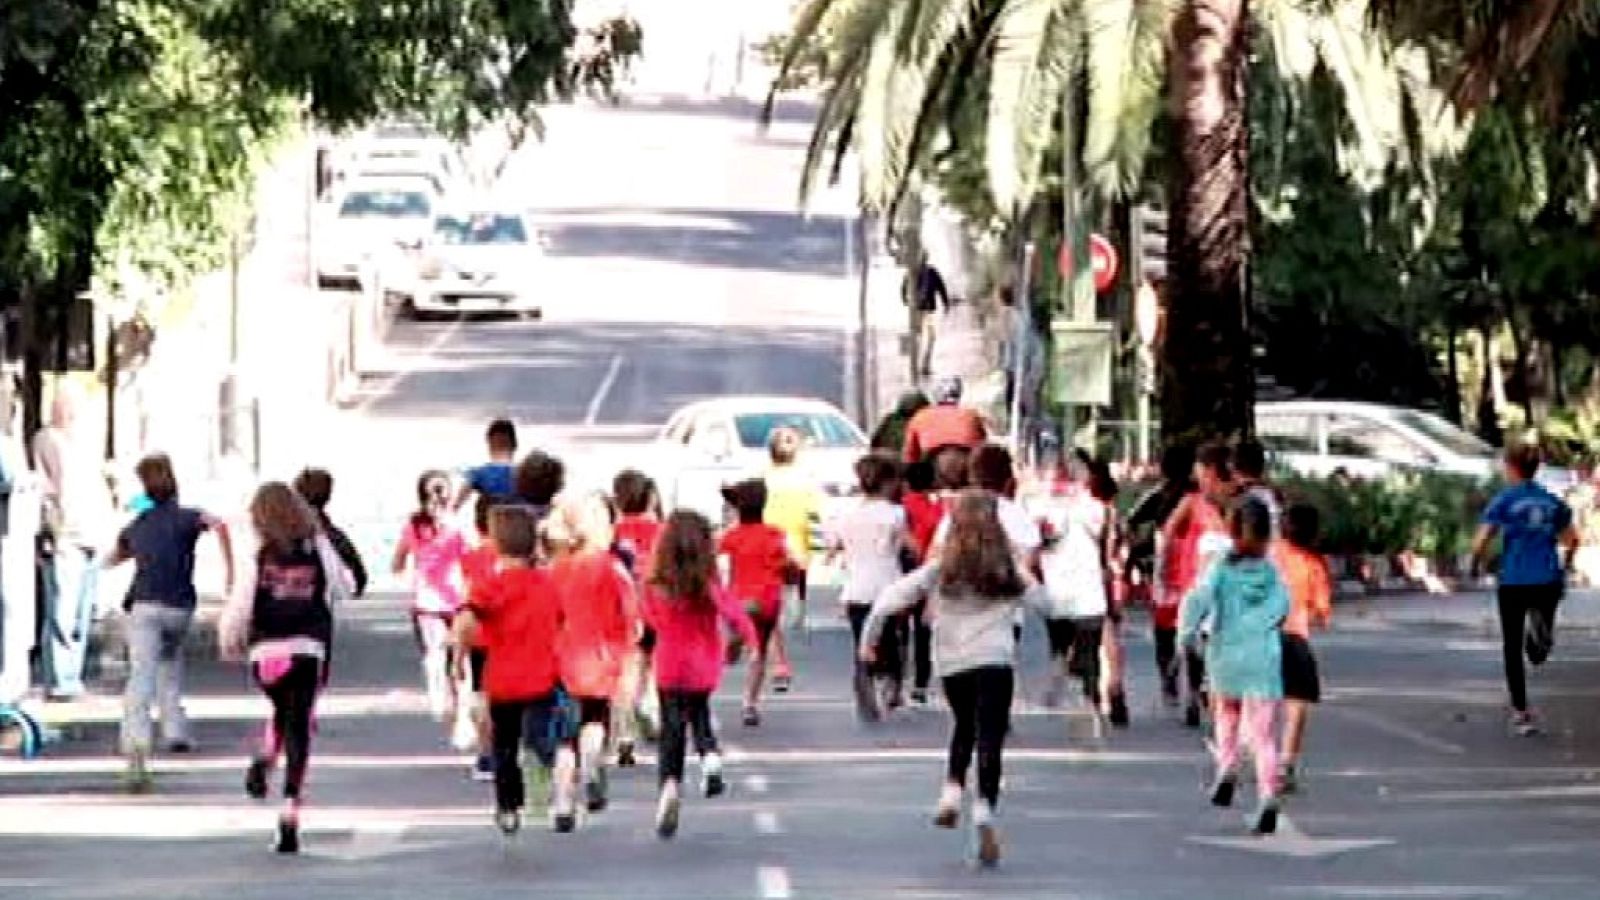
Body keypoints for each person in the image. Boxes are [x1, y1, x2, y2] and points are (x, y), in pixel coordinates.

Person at [861, 490, 1048, 868]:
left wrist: (869, 641)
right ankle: (983, 810)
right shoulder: (1008, 570)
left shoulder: (942, 568)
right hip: (995, 661)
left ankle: (950, 791)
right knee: (990, 737)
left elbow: (889, 599)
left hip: (953, 665)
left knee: (964, 726)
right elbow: (1048, 604)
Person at [218, 482, 354, 854]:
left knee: (283, 709)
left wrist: (229, 633)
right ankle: (291, 806)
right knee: (299, 727)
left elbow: (243, 595)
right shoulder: (316, 541)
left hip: (267, 652)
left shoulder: (258, 548)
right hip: (309, 647)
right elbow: (342, 585)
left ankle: (265, 757)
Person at [103, 454, 234, 791]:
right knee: (170, 665)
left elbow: (115, 557)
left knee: (141, 674)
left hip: (145, 604)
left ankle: (136, 739)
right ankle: (176, 731)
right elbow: (220, 524)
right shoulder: (188, 518)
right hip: (180, 606)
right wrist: (230, 570)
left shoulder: (138, 525)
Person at [451, 505, 573, 836]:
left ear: (496, 543)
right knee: (544, 739)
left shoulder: (490, 585)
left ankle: (508, 807)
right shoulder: (547, 584)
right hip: (542, 677)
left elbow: (465, 620)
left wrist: (458, 657)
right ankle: (557, 785)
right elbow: (563, 621)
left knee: (504, 746)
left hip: (502, 680)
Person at [640, 510, 759, 839]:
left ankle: (669, 786)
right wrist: (750, 641)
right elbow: (733, 612)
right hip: (702, 664)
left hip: (669, 664)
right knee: (700, 716)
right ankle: (710, 758)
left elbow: (649, 619)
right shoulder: (707, 584)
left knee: (672, 732)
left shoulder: (656, 585)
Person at [1179, 497, 1290, 836]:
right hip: (1263, 657)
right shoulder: (1272, 572)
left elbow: (1198, 599)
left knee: (1226, 715)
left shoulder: (1221, 568)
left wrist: (1185, 634)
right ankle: (1269, 793)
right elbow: (1283, 606)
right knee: (1264, 736)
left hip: (1226, 652)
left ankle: (1227, 767)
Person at [1471, 444, 1578, 737]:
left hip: (1514, 579)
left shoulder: (1504, 500)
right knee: (1538, 649)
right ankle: (1541, 637)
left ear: (1511, 467)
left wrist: (1477, 563)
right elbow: (1572, 539)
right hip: (1547, 578)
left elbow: (1481, 540)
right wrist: (1565, 566)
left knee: (1512, 647)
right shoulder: (1552, 501)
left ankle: (1521, 712)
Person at [545, 491, 639, 815]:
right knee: (594, 720)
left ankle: (562, 802)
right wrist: (628, 650)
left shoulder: (554, 571)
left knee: (563, 738)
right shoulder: (611, 568)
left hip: (559, 661)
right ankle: (592, 763)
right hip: (599, 659)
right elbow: (629, 613)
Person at [33, 386, 115, 700]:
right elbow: (51, 487)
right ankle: (58, 680)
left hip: (92, 533)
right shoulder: (48, 439)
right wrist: (50, 530)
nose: (73, 412)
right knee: (62, 610)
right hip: (65, 534)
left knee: (81, 612)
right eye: (68, 406)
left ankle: (73, 676)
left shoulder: (86, 442)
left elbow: (94, 485)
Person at [825, 452, 908, 721]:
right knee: (891, 639)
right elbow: (904, 546)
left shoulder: (847, 513)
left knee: (863, 641)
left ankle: (865, 682)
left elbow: (834, 545)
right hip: (888, 585)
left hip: (856, 588)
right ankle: (892, 682)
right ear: (887, 482)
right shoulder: (896, 513)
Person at [1031, 450, 1110, 723]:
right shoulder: (1097, 509)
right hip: (1089, 589)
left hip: (1057, 591)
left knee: (1061, 641)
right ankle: (1090, 697)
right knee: (1090, 649)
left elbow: (1036, 547)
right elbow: (1106, 549)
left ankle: (1061, 665)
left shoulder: (1041, 510)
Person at [1162, 443, 1234, 727]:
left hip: (1220, 584)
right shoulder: (1194, 501)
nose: (1197, 476)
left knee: (1208, 640)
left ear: (1211, 471)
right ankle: (1197, 693)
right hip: (1197, 580)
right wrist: (1167, 569)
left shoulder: (1232, 501)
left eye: (1200, 471)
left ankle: (1210, 693)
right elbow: (1169, 531)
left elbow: (1168, 533)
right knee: (1197, 639)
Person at [718, 479, 799, 727]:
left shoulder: (731, 536)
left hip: (738, 597)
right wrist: (790, 571)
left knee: (734, 640)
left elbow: (715, 557)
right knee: (760, 652)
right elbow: (790, 566)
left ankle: (733, 641)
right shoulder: (775, 534)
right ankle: (749, 704)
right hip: (767, 600)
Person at [392, 471, 470, 727]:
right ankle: (460, 704)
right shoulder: (457, 527)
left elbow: (397, 562)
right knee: (460, 656)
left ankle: (439, 701)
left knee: (434, 655)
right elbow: (468, 561)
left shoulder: (413, 527)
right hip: (457, 600)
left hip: (425, 601)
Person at [1128, 444, 1195, 705]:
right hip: (1196, 569)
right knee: (1197, 627)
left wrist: (1140, 555)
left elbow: (1131, 521)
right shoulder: (1200, 497)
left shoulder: (1158, 496)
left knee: (1164, 628)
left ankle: (1169, 680)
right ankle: (1196, 684)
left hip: (1165, 570)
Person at [1276, 504, 1332, 792]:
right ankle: (1286, 763)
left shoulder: (1269, 553)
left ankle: (1251, 749)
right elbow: (1322, 614)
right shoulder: (1314, 564)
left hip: (1261, 636)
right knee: (1296, 704)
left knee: (1257, 699)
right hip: (1295, 637)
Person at [763, 426, 820, 694]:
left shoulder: (765, 479)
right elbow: (814, 514)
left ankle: (778, 651)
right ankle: (796, 610)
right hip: (794, 545)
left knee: (774, 599)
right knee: (792, 590)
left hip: (776, 545)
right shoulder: (804, 480)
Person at [612, 469, 663, 767]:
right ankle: (650, 704)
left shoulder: (614, 531)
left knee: (628, 669)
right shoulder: (661, 529)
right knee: (655, 663)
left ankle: (625, 731)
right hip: (656, 605)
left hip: (625, 607)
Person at [458, 494, 502, 781]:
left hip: (478, 634)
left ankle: (486, 754)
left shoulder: (471, 558)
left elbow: (465, 599)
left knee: (481, 694)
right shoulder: (515, 558)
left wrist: (457, 646)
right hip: (508, 635)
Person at [293, 469, 367, 598]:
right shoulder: (332, 534)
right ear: (327, 497)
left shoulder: (282, 531)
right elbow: (359, 576)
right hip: (321, 606)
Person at [902, 378, 986, 464]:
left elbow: (910, 454)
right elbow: (982, 441)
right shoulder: (971, 413)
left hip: (933, 459)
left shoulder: (920, 415)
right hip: (969, 458)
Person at [455, 418, 519, 510]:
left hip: (492, 519)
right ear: (514, 446)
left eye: (501, 444)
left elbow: (459, 501)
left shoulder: (479, 473)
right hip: (518, 519)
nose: (498, 448)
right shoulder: (525, 473)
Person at [906, 260, 950, 379]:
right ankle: (922, 365)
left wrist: (908, 303)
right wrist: (946, 303)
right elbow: (941, 287)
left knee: (924, 337)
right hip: (926, 310)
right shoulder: (928, 272)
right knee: (926, 338)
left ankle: (921, 365)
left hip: (921, 310)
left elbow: (904, 289)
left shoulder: (915, 273)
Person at [870, 391, 930, 456]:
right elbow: (875, 443)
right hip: (891, 459)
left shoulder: (890, 418)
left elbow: (874, 443)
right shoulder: (890, 419)